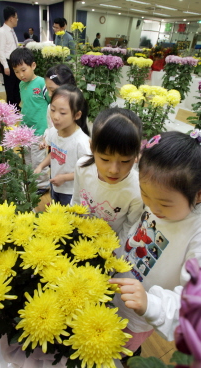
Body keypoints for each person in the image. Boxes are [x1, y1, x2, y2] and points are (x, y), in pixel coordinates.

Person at [109, 130, 201, 361]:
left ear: (198, 195)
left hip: (141, 315)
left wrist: (151, 304)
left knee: (113, 353)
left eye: (164, 203)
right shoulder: (157, 202)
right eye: (145, 194)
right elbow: (137, 232)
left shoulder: (196, 236)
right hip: (116, 288)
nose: (152, 207)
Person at [71, 107, 143, 244]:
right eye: (105, 159)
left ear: (136, 155)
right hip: (80, 238)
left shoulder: (137, 190)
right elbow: (76, 199)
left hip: (109, 248)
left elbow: (129, 227)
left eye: (125, 161)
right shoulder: (82, 167)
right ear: (92, 148)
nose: (114, 170)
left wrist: (115, 253)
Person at [34, 85, 91, 205]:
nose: (55, 116)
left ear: (77, 115)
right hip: (55, 184)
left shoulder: (81, 142)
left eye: (63, 112)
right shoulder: (53, 132)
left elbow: (86, 171)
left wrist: (64, 178)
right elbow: (54, 153)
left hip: (71, 191)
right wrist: (41, 166)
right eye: (53, 110)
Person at [10, 47, 50, 196]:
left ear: (33, 65)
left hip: (39, 129)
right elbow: (25, 104)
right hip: (25, 128)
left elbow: (51, 103)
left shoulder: (41, 83)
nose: (20, 75)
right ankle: (30, 179)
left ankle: (43, 184)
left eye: (23, 70)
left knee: (38, 158)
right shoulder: (22, 84)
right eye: (16, 72)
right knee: (26, 157)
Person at [0, 6, 21, 109]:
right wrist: (6, 66)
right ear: (11, 18)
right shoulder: (2, 31)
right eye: (16, 17)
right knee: (10, 87)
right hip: (8, 62)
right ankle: (10, 108)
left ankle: (16, 106)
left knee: (17, 86)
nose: (17, 20)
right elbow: (1, 50)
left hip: (15, 62)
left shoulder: (11, 31)